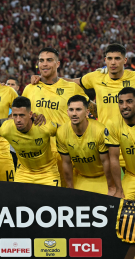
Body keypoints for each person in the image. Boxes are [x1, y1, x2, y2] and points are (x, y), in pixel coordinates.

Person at [22, 48, 91, 187]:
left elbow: (90, 111)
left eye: (49, 60)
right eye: (41, 60)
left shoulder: (71, 88)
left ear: (58, 64)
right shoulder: (29, 88)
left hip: (65, 151)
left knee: (68, 196)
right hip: (38, 153)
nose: (44, 64)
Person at [57, 95, 116, 196]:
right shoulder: (61, 132)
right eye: (71, 110)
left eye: (78, 110)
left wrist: (111, 187)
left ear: (87, 112)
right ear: (67, 112)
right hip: (81, 178)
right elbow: (66, 163)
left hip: (102, 178)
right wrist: (70, 188)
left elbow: (106, 161)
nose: (74, 114)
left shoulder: (99, 130)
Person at [0, 96, 60, 186]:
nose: (18, 120)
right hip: (23, 173)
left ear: (30, 114)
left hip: (48, 173)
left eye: (22, 115)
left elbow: (65, 132)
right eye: (15, 115)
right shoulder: (5, 129)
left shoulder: (44, 126)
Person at [6, 76, 20, 170]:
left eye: (12, 84)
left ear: (17, 87)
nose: (10, 86)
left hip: (15, 143)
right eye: (8, 84)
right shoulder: (1, 102)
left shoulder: (21, 103)